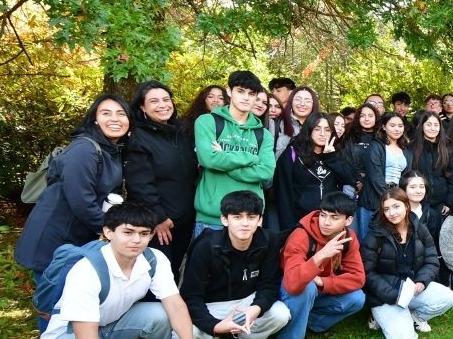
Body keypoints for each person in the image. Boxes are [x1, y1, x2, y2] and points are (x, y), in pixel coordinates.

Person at [42, 203, 193, 339]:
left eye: (144, 233)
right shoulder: (87, 270)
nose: (136, 240)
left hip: (115, 322)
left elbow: (175, 305)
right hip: (72, 334)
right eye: (128, 232)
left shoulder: (154, 259)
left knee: (161, 313)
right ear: (108, 232)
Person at [16, 94, 133, 275]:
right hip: (55, 239)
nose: (114, 119)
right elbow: (81, 201)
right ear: (94, 119)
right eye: (106, 113)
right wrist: (111, 231)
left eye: (121, 114)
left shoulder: (112, 150)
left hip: (77, 238)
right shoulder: (84, 150)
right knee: (56, 300)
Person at [177, 191, 290, 339]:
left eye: (251, 217)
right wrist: (215, 326)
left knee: (281, 314)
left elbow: (269, 285)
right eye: (237, 217)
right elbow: (190, 296)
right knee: (182, 330)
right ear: (224, 220)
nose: (245, 223)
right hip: (210, 304)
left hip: (246, 301)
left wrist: (255, 309)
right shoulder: (206, 246)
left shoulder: (268, 240)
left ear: (260, 220)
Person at [277, 193, 367, 339]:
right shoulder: (301, 235)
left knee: (357, 298)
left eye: (334, 218)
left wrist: (323, 282)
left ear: (348, 221)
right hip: (288, 290)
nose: (325, 222)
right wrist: (320, 257)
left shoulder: (348, 237)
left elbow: (358, 278)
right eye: (323, 215)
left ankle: (311, 323)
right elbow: (292, 283)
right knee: (306, 286)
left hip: (319, 287)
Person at [361, 187, 453, 339]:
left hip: (412, 289)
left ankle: (415, 316)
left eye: (396, 206)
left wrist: (421, 281)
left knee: (447, 298)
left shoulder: (419, 228)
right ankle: (378, 315)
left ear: (406, 206)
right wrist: (392, 295)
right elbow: (367, 273)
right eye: (386, 209)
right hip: (386, 295)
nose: (392, 213)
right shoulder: (375, 235)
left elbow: (432, 260)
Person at [123, 81, 198, 270]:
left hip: (185, 219)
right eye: (154, 101)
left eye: (166, 99)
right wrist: (159, 218)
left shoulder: (180, 132)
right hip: (160, 224)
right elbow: (140, 184)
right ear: (142, 107)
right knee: (157, 275)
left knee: (174, 272)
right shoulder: (138, 137)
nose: (163, 105)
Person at [192, 71, 277, 237]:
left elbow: (267, 170)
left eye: (251, 94)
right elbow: (208, 159)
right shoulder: (207, 121)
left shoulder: (263, 134)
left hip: (249, 220)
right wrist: (251, 158)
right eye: (240, 91)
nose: (246, 98)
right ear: (229, 91)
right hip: (212, 218)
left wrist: (224, 159)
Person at [271, 113, 357, 228]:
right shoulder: (292, 154)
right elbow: (283, 194)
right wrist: (290, 229)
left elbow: (349, 179)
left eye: (327, 130)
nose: (322, 134)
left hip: (329, 222)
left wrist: (330, 157)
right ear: (309, 130)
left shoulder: (336, 153)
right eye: (317, 129)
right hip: (300, 221)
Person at [357, 112, 413, 239]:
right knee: (367, 240)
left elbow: (406, 177)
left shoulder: (406, 149)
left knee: (389, 241)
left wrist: (398, 199)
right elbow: (374, 175)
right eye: (392, 125)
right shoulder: (376, 146)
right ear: (383, 127)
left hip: (395, 198)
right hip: (373, 199)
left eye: (400, 125)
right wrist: (389, 199)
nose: (397, 129)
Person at [410, 111, 453, 214]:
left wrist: (449, 202)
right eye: (428, 124)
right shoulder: (412, 147)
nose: (432, 128)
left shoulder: (446, 148)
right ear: (422, 126)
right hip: (417, 202)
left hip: (441, 204)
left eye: (436, 125)